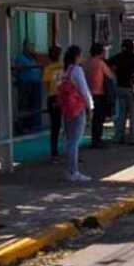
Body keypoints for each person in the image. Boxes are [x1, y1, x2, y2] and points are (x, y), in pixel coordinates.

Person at [61, 45, 93, 182]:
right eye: (81, 55)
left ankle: (69, 171)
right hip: (77, 108)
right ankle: (73, 171)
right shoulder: (77, 70)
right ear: (76, 56)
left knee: (69, 141)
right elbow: (84, 89)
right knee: (75, 141)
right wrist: (90, 106)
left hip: (67, 108)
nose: (82, 58)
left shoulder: (65, 71)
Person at [107, 39, 134, 144]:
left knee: (121, 115)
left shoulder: (118, 57)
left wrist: (114, 73)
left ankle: (118, 136)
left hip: (120, 87)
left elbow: (107, 63)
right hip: (133, 88)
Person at [85, 42, 113, 148]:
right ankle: (97, 140)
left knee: (93, 119)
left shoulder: (86, 63)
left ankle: (94, 139)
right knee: (99, 118)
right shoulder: (100, 63)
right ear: (100, 52)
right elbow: (109, 75)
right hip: (99, 93)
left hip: (88, 92)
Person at [15, 40, 42, 133]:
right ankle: (23, 126)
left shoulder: (33, 58)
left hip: (35, 84)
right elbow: (17, 71)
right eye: (30, 46)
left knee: (35, 105)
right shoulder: (20, 58)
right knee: (24, 105)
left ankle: (34, 125)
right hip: (25, 84)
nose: (32, 48)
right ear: (25, 47)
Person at [42, 45, 64, 160]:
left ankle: (54, 152)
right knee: (68, 124)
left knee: (55, 126)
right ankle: (69, 150)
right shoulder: (63, 67)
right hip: (64, 97)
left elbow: (46, 85)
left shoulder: (48, 69)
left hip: (53, 97)